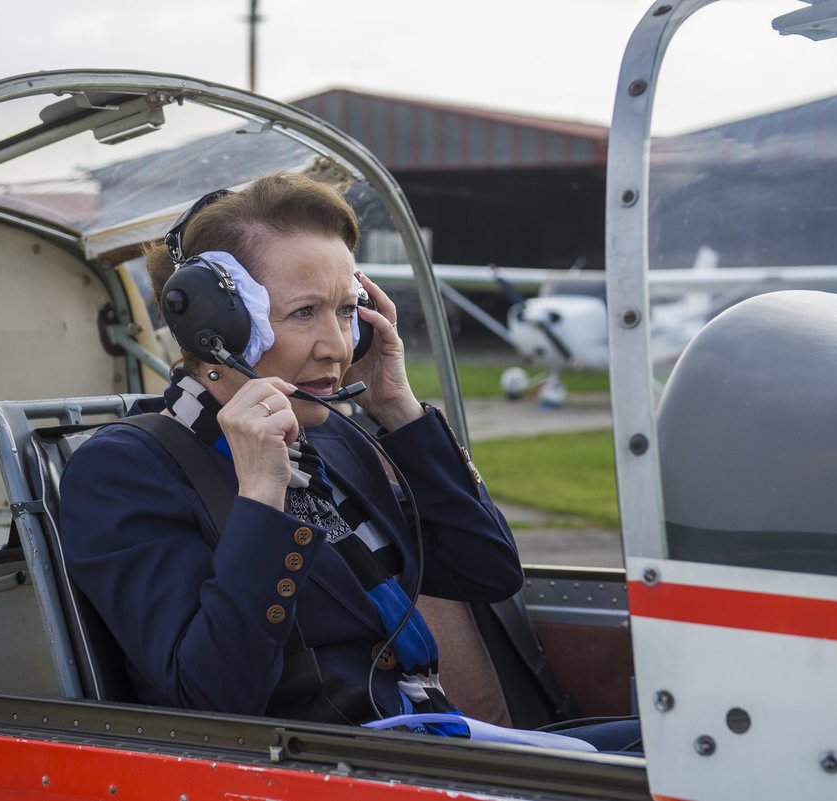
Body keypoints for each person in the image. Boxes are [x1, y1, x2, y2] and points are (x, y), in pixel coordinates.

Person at [59, 172, 525, 725]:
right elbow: (210, 697)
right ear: (215, 329)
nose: (337, 348)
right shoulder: (126, 470)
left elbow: (488, 573)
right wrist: (260, 498)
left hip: (428, 741)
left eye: (347, 311)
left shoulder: (330, 438)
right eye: (305, 313)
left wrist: (399, 411)